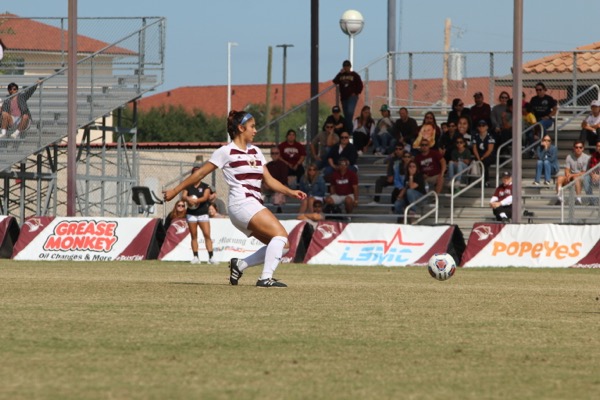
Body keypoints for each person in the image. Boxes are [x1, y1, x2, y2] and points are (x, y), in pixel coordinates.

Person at [163, 110, 306, 288]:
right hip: (242, 204)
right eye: (252, 126)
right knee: (281, 237)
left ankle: (240, 264)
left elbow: (268, 180)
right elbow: (199, 173)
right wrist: (175, 190)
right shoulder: (226, 151)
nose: (255, 131)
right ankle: (265, 278)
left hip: (251, 205)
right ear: (240, 128)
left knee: (282, 246)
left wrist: (290, 192)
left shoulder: (256, 151)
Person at [182, 167, 215, 264]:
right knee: (194, 235)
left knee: (207, 235)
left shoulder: (205, 186)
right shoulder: (188, 186)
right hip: (191, 214)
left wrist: (195, 201)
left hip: (202, 213)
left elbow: (205, 197)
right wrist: (188, 199)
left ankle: (211, 257)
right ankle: (196, 257)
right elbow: (183, 196)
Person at [555, 140, 591, 206]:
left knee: (576, 178)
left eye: (580, 147)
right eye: (576, 147)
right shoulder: (569, 157)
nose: (578, 149)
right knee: (560, 178)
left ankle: (578, 199)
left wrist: (572, 175)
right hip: (571, 176)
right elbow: (567, 169)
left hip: (582, 178)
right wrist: (568, 175)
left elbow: (584, 172)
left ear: (583, 148)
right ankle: (560, 198)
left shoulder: (587, 158)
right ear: (573, 148)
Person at [332, 60, 363, 133]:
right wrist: (340, 73)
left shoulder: (354, 75)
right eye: (344, 66)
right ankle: (349, 130)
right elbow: (335, 81)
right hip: (343, 97)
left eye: (347, 66)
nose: (346, 67)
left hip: (352, 97)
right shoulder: (341, 75)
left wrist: (356, 93)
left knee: (349, 112)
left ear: (350, 66)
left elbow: (360, 85)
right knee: (346, 114)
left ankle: (350, 131)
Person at [263, 146, 288, 213]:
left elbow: (283, 180)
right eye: (273, 153)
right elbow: (264, 177)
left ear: (279, 154)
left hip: (279, 187)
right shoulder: (268, 165)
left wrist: (273, 185)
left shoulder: (283, 165)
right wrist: (265, 183)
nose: (274, 155)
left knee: (278, 195)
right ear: (271, 154)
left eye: (276, 153)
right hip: (269, 187)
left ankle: (278, 211)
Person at [471, 120, 496, 186]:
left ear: (487, 127)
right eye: (479, 126)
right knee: (473, 161)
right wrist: (478, 157)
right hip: (479, 155)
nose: (481, 127)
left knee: (484, 163)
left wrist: (482, 158)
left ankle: (486, 181)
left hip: (489, 156)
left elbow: (490, 150)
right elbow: (474, 148)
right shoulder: (475, 136)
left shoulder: (490, 136)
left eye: (483, 126)